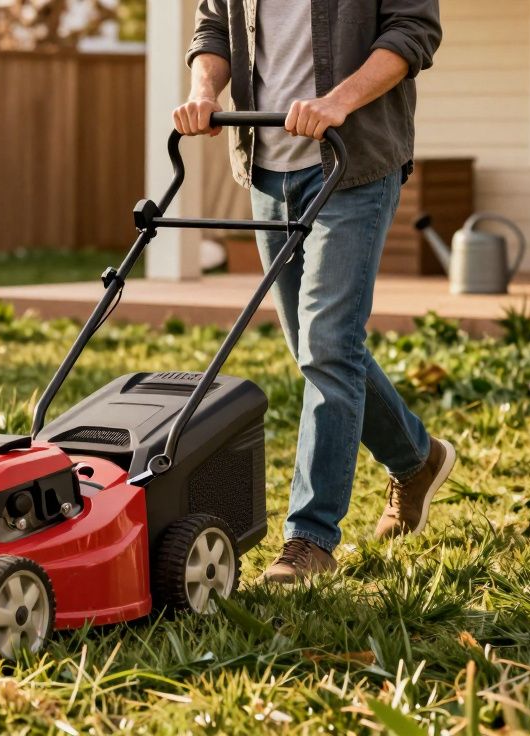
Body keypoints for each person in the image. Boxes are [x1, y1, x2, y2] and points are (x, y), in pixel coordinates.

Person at [173, 0, 454, 584]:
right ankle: (416, 459)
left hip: (352, 164)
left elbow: (413, 30)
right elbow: (215, 29)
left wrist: (337, 103)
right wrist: (205, 90)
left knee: (327, 345)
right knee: (316, 347)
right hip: (266, 166)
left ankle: (310, 538)